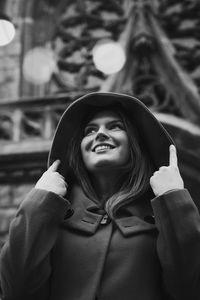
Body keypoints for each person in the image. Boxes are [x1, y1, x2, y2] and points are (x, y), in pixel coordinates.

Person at [0, 92, 199, 300]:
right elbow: (16, 291)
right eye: (90, 130)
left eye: (115, 126)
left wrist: (173, 197)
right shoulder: (51, 213)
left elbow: (189, 289)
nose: (100, 134)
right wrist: (39, 201)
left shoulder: (164, 215)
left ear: (136, 144)